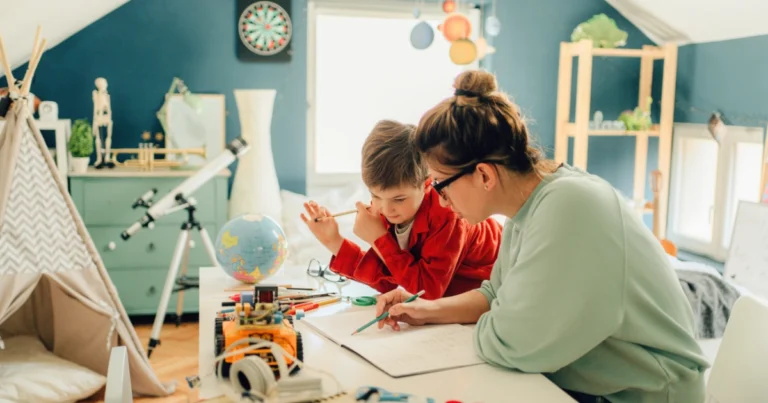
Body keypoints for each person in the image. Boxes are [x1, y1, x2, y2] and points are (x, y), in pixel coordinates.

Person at [373, 71, 710, 403]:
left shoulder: (568, 206)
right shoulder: (528, 207)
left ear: (484, 175)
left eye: (440, 185)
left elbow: (513, 344)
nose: (440, 200)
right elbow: (495, 294)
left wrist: (501, 318)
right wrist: (427, 309)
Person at [301, 120, 503, 300]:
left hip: (499, 281)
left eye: (398, 198)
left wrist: (379, 238)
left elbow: (428, 292)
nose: (386, 209)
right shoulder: (393, 211)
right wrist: (333, 241)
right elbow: (389, 280)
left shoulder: (447, 214)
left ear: (426, 184)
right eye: (375, 196)